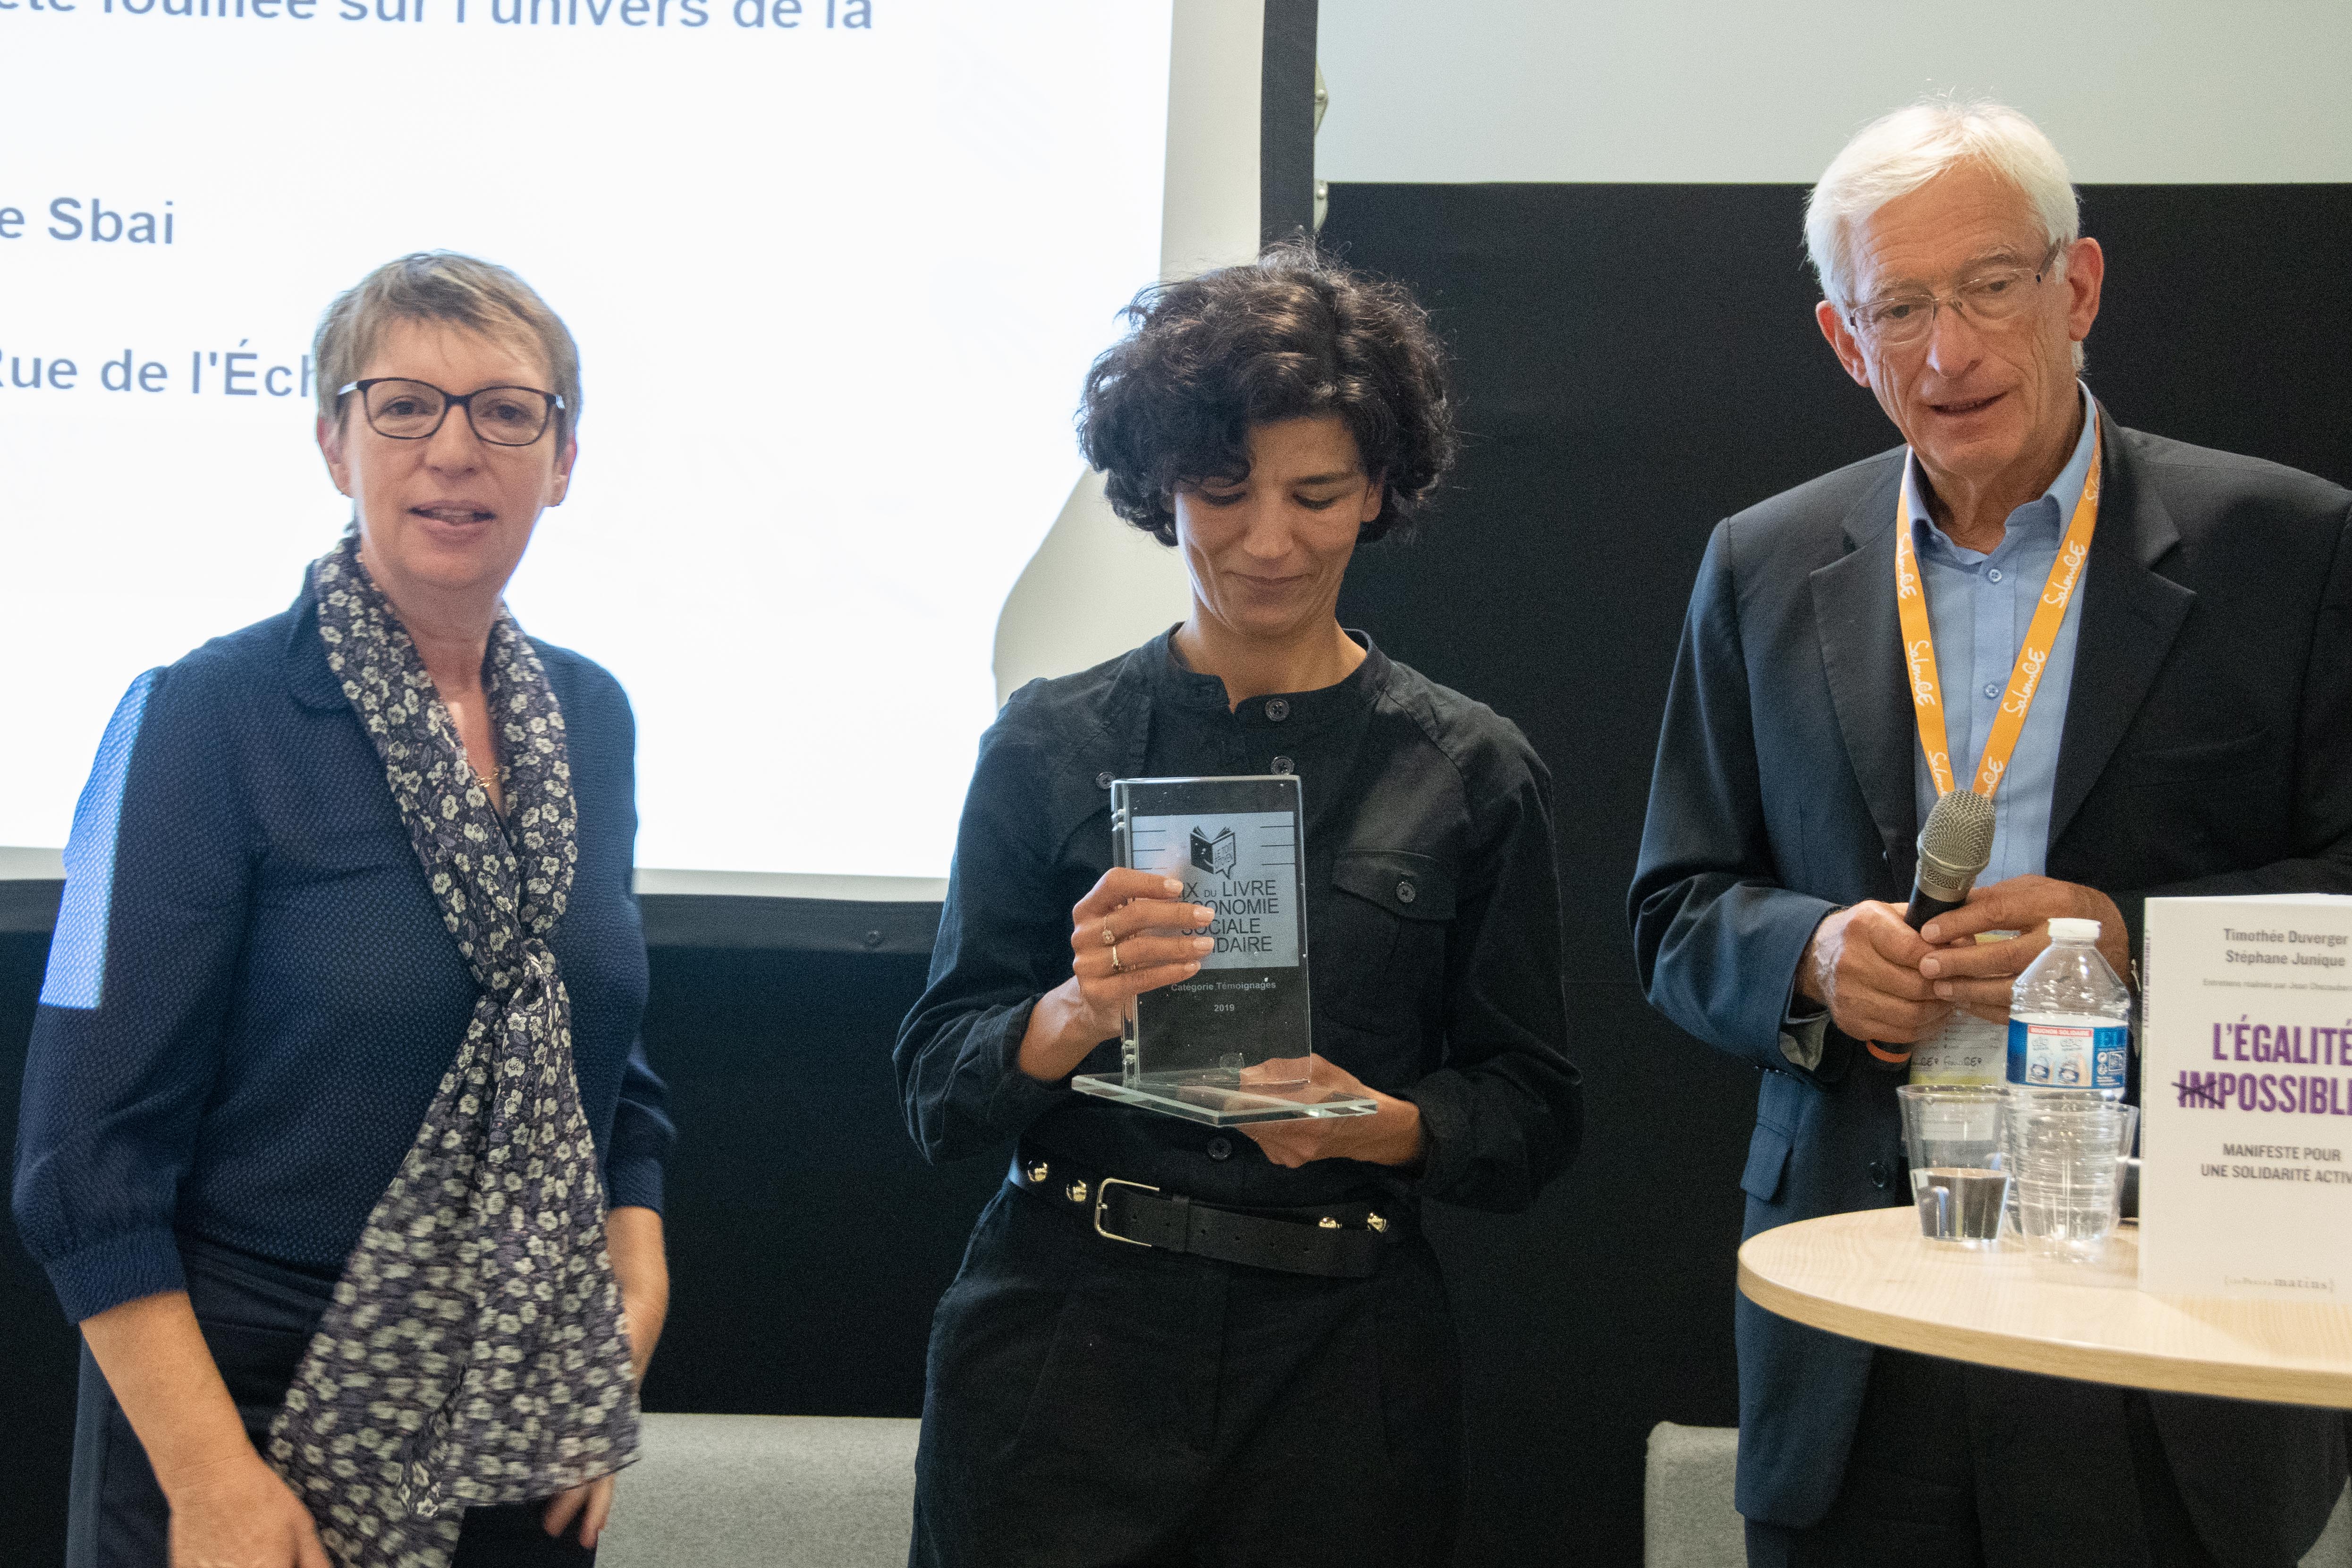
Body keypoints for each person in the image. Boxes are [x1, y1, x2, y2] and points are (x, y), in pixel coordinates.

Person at [1629, 100, 2352, 1568]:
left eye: (1989, 288)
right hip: (1861, 1321)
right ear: (1847, 341)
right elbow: (1675, 909)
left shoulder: (2289, 545)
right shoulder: (1762, 565)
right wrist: (1813, 954)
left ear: (2076, 289)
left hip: (2168, 1322)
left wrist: (2131, 936)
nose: (1948, 350)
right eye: (1898, 305)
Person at [895, 241, 1582, 1568]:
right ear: (1160, 486)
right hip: (1061, 1358)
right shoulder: (1047, 742)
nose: (1269, 538)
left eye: (1317, 492)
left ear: (1380, 489)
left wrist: (1378, 1123)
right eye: (1223, 488)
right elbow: (935, 1087)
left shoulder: (1470, 767)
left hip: (1337, 1377)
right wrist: (1075, 1009)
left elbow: (1536, 1112)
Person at [12, 252, 676, 1568]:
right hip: (248, 1424)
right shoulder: (209, 715)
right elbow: (81, 1161)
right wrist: (211, 1480)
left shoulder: (588, 717)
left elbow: (606, 1052)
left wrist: (635, 1282)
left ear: (563, 457)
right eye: (403, 406)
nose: (455, 449)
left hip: (522, 1423)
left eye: (505, 409)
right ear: (333, 442)